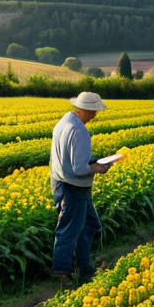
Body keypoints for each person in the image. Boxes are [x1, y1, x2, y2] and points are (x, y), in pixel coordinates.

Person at [50, 91, 112, 287]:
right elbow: (78, 169)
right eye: (93, 111)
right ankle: (61, 271)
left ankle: (84, 266)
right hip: (73, 187)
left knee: (90, 224)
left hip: (62, 182)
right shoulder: (80, 132)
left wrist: (93, 160)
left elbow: (68, 158)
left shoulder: (64, 122)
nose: (95, 115)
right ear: (83, 109)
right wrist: (98, 168)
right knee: (68, 230)